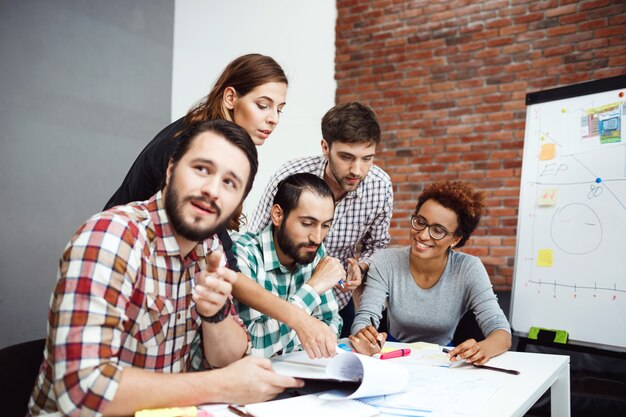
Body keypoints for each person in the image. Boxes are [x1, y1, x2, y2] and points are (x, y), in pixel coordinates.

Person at [28, 120, 302, 417]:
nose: (212, 190)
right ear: (171, 170)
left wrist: (216, 312)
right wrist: (220, 385)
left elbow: (228, 359)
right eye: (202, 169)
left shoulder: (208, 247)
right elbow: (82, 391)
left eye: (229, 183)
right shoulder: (113, 237)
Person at [104, 53, 339, 359]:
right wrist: (297, 316)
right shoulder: (190, 142)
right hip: (128, 266)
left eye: (279, 109)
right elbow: (229, 269)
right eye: (263, 105)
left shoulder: (227, 152)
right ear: (231, 97)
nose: (273, 119)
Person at [248, 102, 393, 333]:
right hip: (282, 296)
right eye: (346, 157)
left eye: (367, 158)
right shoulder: (290, 177)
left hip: (335, 300)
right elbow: (255, 240)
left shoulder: (380, 186)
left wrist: (361, 267)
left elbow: (377, 244)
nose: (357, 170)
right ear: (325, 147)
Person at [349, 180, 512, 365]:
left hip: (445, 359)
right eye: (420, 222)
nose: (423, 235)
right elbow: (364, 318)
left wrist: (483, 349)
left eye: (438, 230)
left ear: (456, 239)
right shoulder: (385, 261)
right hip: (391, 355)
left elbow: (502, 332)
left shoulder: (469, 268)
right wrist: (364, 336)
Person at [232, 174, 344, 358]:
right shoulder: (243, 253)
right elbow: (250, 345)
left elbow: (331, 323)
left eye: (325, 226)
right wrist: (312, 289)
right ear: (277, 215)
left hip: (300, 375)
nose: (317, 237)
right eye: (307, 223)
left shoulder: (313, 250)